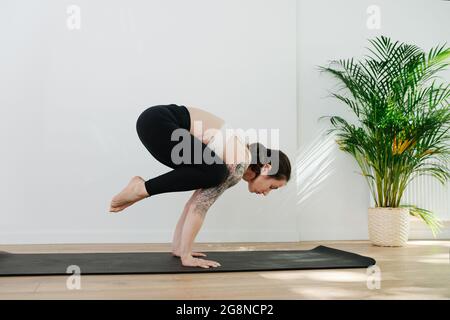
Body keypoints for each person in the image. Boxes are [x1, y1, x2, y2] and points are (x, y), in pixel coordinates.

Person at [109, 104, 291, 269]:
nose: (266, 193)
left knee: (211, 173)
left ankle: (143, 192)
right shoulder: (240, 161)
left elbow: (193, 204)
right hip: (160, 124)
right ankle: (140, 188)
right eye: (272, 187)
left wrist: (180, 249)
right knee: (215, 173)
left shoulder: (235, 155)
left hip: (154, 122)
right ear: (267, 167)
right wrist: (187, 257)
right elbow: (200, 207)